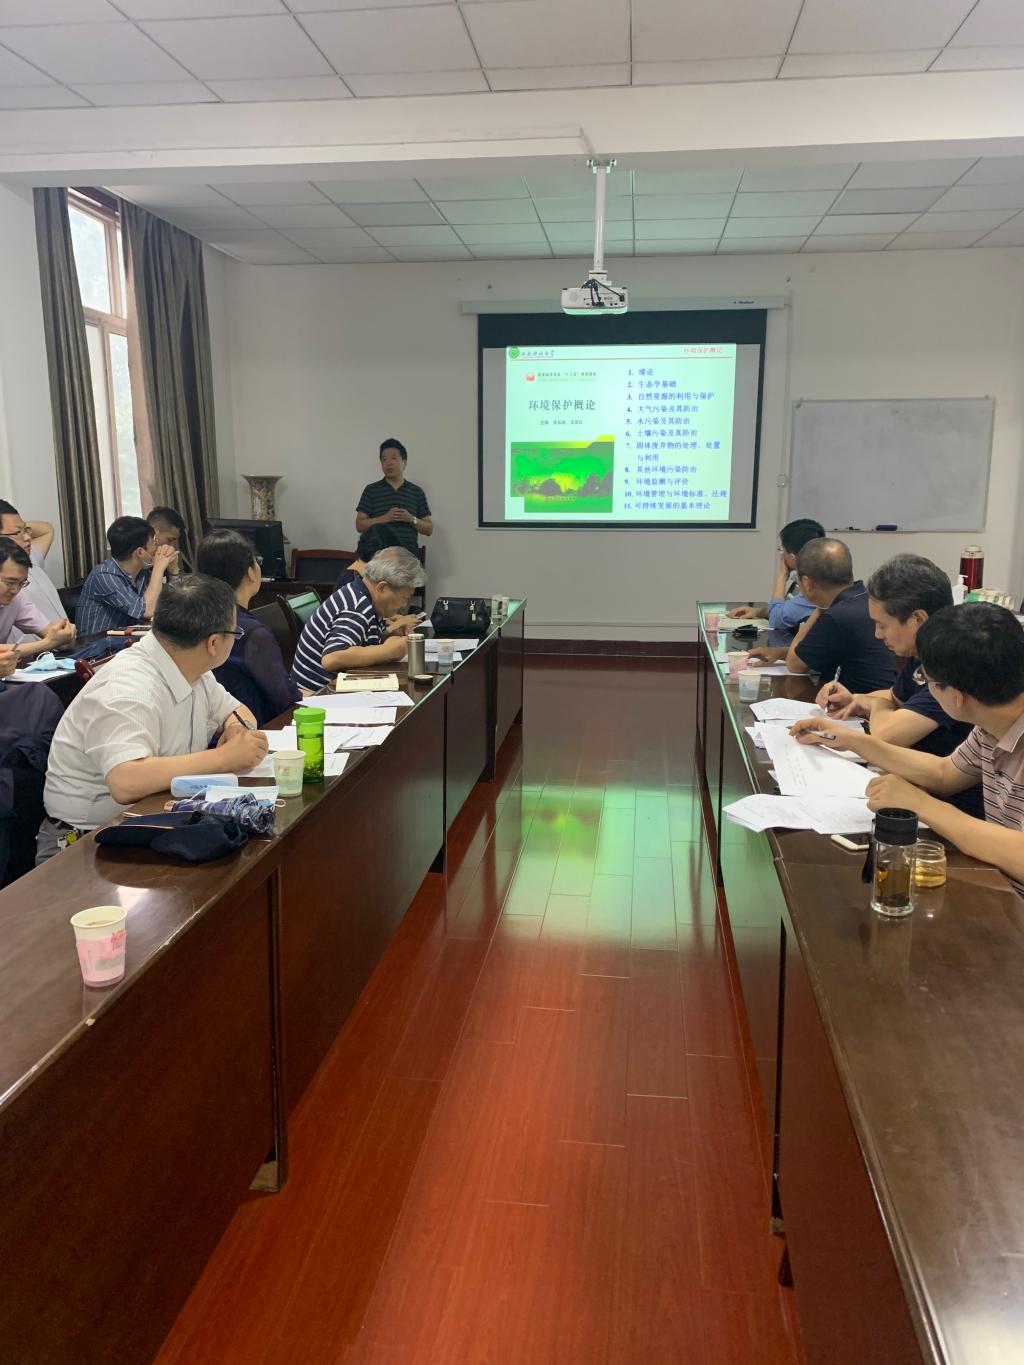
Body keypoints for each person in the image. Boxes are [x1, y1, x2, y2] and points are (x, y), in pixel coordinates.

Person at [791, 603, 1024, 898]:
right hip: (1001, 891)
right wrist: (851, 740)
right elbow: (944, 773)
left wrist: (922, 804)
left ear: (957, 697)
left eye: (928, 681)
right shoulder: (989, 725)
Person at [39, 574, 267, 861]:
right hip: (87, 841)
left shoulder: (189, 666)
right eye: (234, 633)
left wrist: (235, 729)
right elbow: (126, 781)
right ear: (213, 643)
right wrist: (225, 758)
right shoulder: (129, 689)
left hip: (155, 822)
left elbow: (237, 711)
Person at [814, 553, 982, 816]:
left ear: (918, 619)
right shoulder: (920, 655)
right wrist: (857, 698)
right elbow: (896, 697)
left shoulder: (953, 665)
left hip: (955, 809)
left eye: (882, 625)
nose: (877, 634)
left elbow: (888, 734)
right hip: (923, 790)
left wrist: (874, 705)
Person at [749, 537, 896, 694]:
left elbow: (795, 664)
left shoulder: (836, 615)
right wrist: (780, 653)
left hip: (860, 702)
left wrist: (820, 609)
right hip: (882, 698)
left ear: (807, 583)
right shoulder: (865, 597)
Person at [196, 527, 300, 727]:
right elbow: (285, 700)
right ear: (250, 572)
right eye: (257, 561)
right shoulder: (253, 633)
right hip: (255, 730)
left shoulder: (197, 619)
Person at [291, 546, 425, 694]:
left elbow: (362, 640)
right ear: (382, 588)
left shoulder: (364, 595)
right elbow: (332, 658)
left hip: (334, 688)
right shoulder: (356, 608)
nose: (404, 605)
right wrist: (388, 651)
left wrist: (389, 635)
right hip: (316, 696)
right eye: (405, 597)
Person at [76, 516, 176, 635]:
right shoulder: (104, 575)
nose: (158, 547)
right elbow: (146, 611)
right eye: (154, 542)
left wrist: (173, 570)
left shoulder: (143, 571)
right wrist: (159, 568)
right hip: (98, 643)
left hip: (128, 640)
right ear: (140, 552)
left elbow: (174, 602)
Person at [728, 517, 825, 630]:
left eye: (782, 550)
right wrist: (758, 612)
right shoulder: (820, 575)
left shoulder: (814, 587)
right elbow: (787, 610)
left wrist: (782, 576)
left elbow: (775, 621)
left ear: (793, 557)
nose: (781, 554)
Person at [0, 535, 75, 661]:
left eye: (22, 583)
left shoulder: (17, 599)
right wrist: (47, 643)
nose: (16, 590)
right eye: (10, 583)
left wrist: (66, 636)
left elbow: (52, 633)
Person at [355, 438, 432, 557]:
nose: (388, 463)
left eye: (393, 458)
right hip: (378, 556)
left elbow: (429, 529)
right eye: (384, 459)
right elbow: (359, 525)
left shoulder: (416, 492)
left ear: (404, 462)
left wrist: (411, 519)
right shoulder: (371, 490)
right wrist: (385, 518)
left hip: (408, 557)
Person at [0, 499, 64, 628]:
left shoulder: (30, 556)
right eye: (17, 533)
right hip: (36, 641)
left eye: (26, 530)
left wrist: (18, 526)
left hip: (61, 637)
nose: (28, 537)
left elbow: (47, 529)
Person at [148, 505, 188, 574]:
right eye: (169, 540)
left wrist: (173, 571)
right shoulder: (137, 565)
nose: (172, 546)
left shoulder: (162, 559)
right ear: (154, 531)